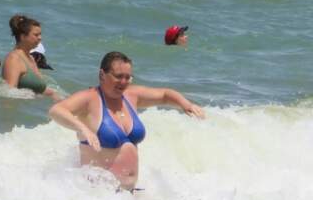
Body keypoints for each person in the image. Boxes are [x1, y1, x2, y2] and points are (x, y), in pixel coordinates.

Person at [48, 50, 205, 190]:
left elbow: (165, 95)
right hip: (97, 196)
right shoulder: (89, 98)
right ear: (102, 74)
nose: (123, 82)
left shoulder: (131, 96)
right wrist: (83, 128)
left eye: (127, 77)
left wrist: (186, 105)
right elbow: (56, 110)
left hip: (127, 198)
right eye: (118, 77)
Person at [2, 15, 59, 100]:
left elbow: (39, 89)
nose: (40, 38)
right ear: (23, 36)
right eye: (36, 35)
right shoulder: (14, 59)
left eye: (40, 34)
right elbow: (9, 92)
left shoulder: (30, 58)